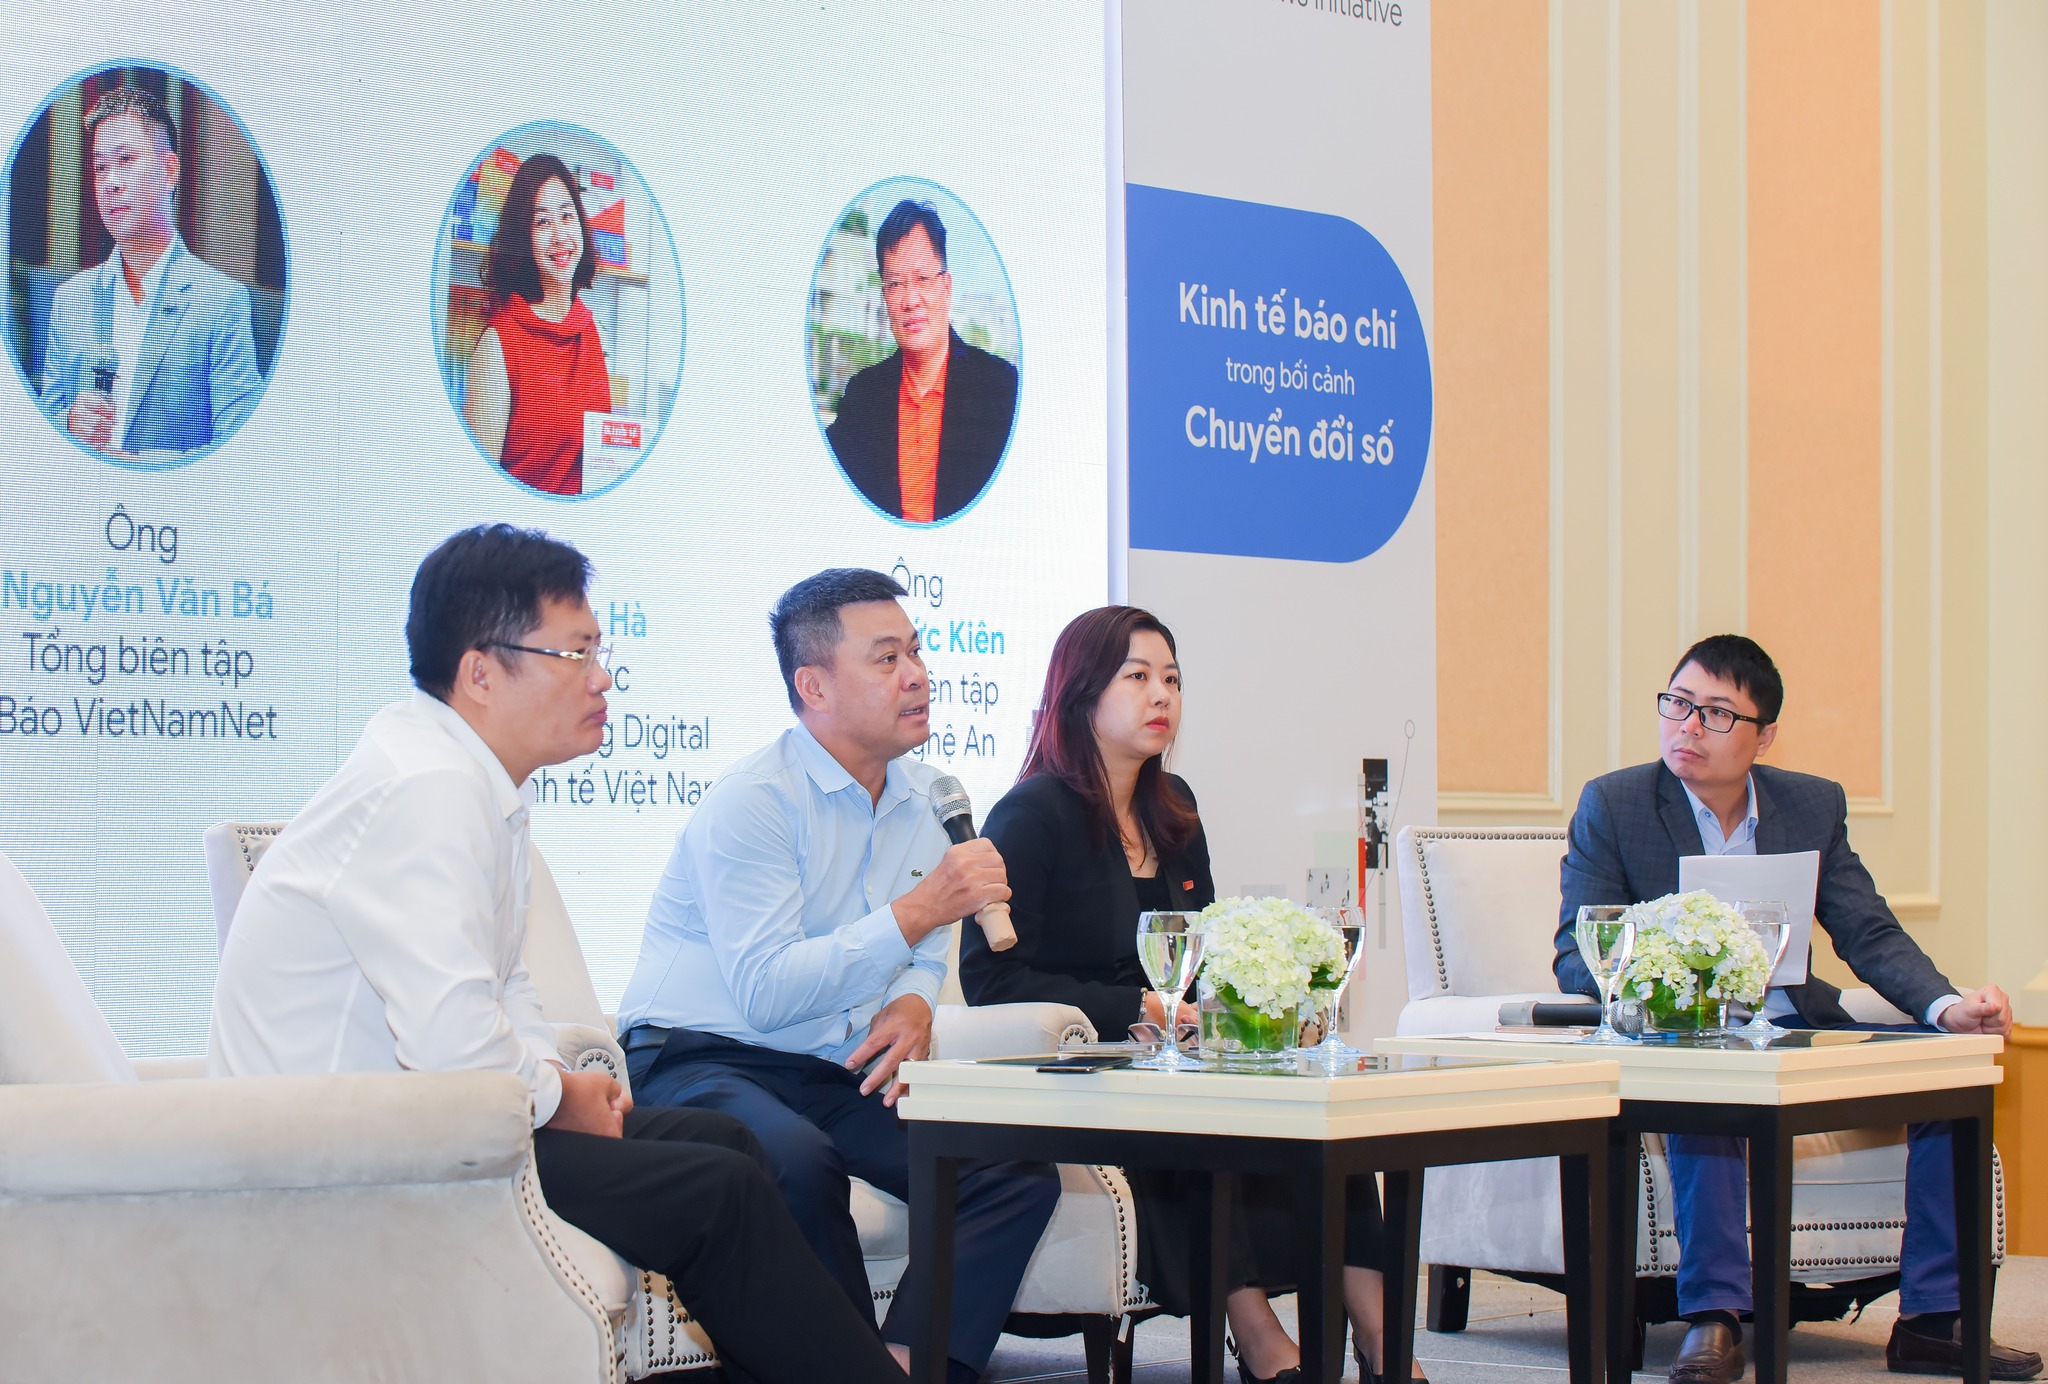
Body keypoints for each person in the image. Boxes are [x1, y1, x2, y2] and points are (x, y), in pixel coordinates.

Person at [208, 525, 906, 1384]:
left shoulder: (470, 776)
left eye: (598, 651)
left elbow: (505, 987)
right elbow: (452, 1046)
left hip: (438, 1122)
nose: (602, 677)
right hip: (351, 1156)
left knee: (730, 1143)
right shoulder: (427, 790)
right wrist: (555, 1093)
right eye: (575, 653)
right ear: (481, 673)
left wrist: (553, 1084)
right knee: (715, 1191)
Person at [1554, 634, 2040, 1384]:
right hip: (1688, 1041)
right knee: (1706, 1089)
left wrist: (1946, 1007)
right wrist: (1674, 990)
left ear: (1764, 734)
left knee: (1948, 1074)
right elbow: (1575, 954)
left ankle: (1934, 1321)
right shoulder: (1616, 804)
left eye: (1717, 713)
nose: (1688, 727)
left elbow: (1867, 929)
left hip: (1795, 1030)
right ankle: (1716, 1318)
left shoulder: (1811, 805)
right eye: (1677, 704)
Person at [617, 568, 1059, 1384]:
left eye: (917, 652)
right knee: (793, 1160)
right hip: (698, 1058)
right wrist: (918, 912)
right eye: (887, 659)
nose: (918, 675)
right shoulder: (753, 801)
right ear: (813, 686)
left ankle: (900, 1365)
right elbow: (767, 992)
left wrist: (916, 999)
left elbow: (924, 949)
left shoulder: (927, 796)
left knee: (1007, 1168)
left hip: (827, 1064)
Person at [961, 605, 1416, 1384]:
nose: (1161, 695)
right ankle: (1257, 1334)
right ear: (1082, 694)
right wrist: (1137, 1009)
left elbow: (1202, 956)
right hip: (1084, 1076)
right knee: (1186, 1125)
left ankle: (1381, 1341)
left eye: (1171, 679)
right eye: (1137, 676)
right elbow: (992, 980)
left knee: (1319, 1109)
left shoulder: (1174, 808)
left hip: (1174, 1054)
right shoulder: (1033, 815)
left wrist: (1252, 1011)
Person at [38, 84, 264, 462]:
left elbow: (241, 447)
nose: (110, 182)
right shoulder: (70, 300)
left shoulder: (220, 301)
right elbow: (39, 426)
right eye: (100, 167)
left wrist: (140, 466)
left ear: (169, 170)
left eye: (126, 159)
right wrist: (68, 424)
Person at [825, 200, 1017, 524]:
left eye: (923, 279)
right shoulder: (863, 396)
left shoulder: (1000, 389)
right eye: (895, 284)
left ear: (946, 287)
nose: (910, 300)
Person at [463, 153, 613, 496]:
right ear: (523, 239)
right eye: (543, 222)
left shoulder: (590, 329)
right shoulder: (498, 343)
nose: (560, 236)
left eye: (567, 216)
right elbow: (480, 491)